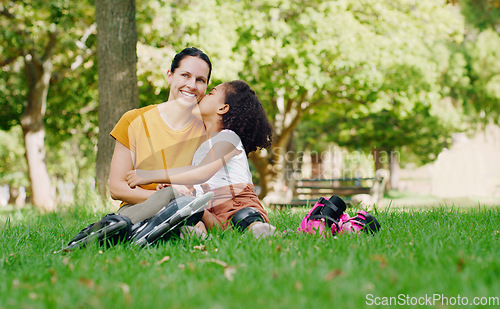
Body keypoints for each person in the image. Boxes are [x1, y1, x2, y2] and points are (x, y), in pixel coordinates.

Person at [64, 48, 213, 249]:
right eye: (185, 75)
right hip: (138, 209)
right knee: (129, 224)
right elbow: (117, 188)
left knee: (195, 233)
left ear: (206, 86)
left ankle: (146, 232)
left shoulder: (209, 130)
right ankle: (113, 230)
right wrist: (169, 200)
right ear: (170, 76)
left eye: (200, 80)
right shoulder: (133, 120)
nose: (191, 85)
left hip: (185, 213)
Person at [126, 80, 276, 238]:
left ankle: (257, 228)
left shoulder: (229, 138)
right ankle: (199, 234)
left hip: (236, 203)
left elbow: (201, 172)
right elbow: (197, 179)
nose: (203, 95)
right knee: (189, 213)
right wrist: (174, 185)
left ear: (223, 108)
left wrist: (149, 175)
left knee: (244, 218)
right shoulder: (202, 147)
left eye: (211, 93)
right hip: (210, 210)